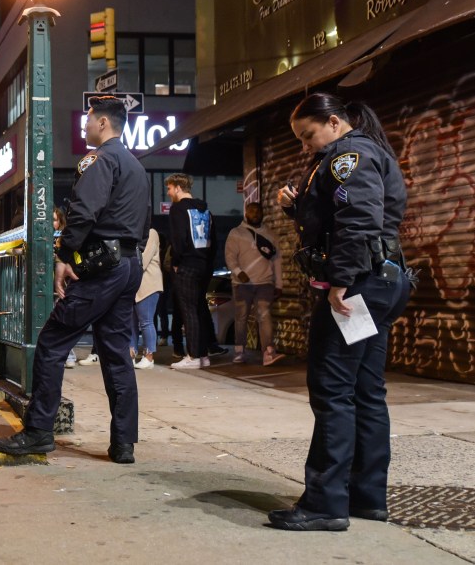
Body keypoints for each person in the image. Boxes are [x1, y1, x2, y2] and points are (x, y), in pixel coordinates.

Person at [267, 92, 410, 532]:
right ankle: (366, 497)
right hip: (381, 281)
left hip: (358, 285)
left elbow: (359, 218)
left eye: (308, 135)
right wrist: (297, 206)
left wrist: (341, 281)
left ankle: (326, 504)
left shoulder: (348, 154)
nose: (305, 146)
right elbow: (351, 215)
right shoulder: (366, 151)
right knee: (366, 391)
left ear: (333, 122)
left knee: (332, 390)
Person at [0, 95, 150, 464]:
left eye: (89, 119)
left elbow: (83, 213)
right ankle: (123, 444)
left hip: (101, 267)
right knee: (116, 354)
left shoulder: (99, 160)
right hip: (129, 264)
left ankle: (38, 431)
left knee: (51, 342)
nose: (84, 125)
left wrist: (64, 256)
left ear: (104, 124)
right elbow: (142, 223)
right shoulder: (135, 165)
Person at [165, 174, 219, 370]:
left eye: (170, 188)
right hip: (204, 265)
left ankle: (193, 355)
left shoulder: (178, 209)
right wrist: (208, 262)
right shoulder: (206, 209)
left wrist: (177, 262)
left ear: (178, 187)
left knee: (188, 311)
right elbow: (214, 240)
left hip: (187, 265)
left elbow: (178, 239)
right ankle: (203, 355)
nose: (169, 193)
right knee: (200, 309)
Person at [225, 202, 285, 366]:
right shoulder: (236, 233)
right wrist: (238, 272)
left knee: (264, 315)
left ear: (262, 213)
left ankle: (268, 352)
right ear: (246, 212)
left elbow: (277, 260)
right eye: (251, 210)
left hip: (265, 282)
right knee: (241, 317)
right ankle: (239, 351)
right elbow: (230, 256)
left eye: (258, 211)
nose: (255, 213)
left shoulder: (270, 234)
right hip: (242, 284)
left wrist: (279, 284)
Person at [132, 227, 162, 369]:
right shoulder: (133, 231)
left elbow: (143, 260)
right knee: (131, 322)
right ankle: (131, 354)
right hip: (134, 284)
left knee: (146, 321)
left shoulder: (151, 233)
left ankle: (149, 357)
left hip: (149, 283)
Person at [55, 207, 79, 369]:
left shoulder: (64, 239)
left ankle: (69, 354)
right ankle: (61, 355)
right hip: (46, 286)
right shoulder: (39, 237)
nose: (52, 223)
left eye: (55, 219)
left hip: (61, 287)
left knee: (62, 322)